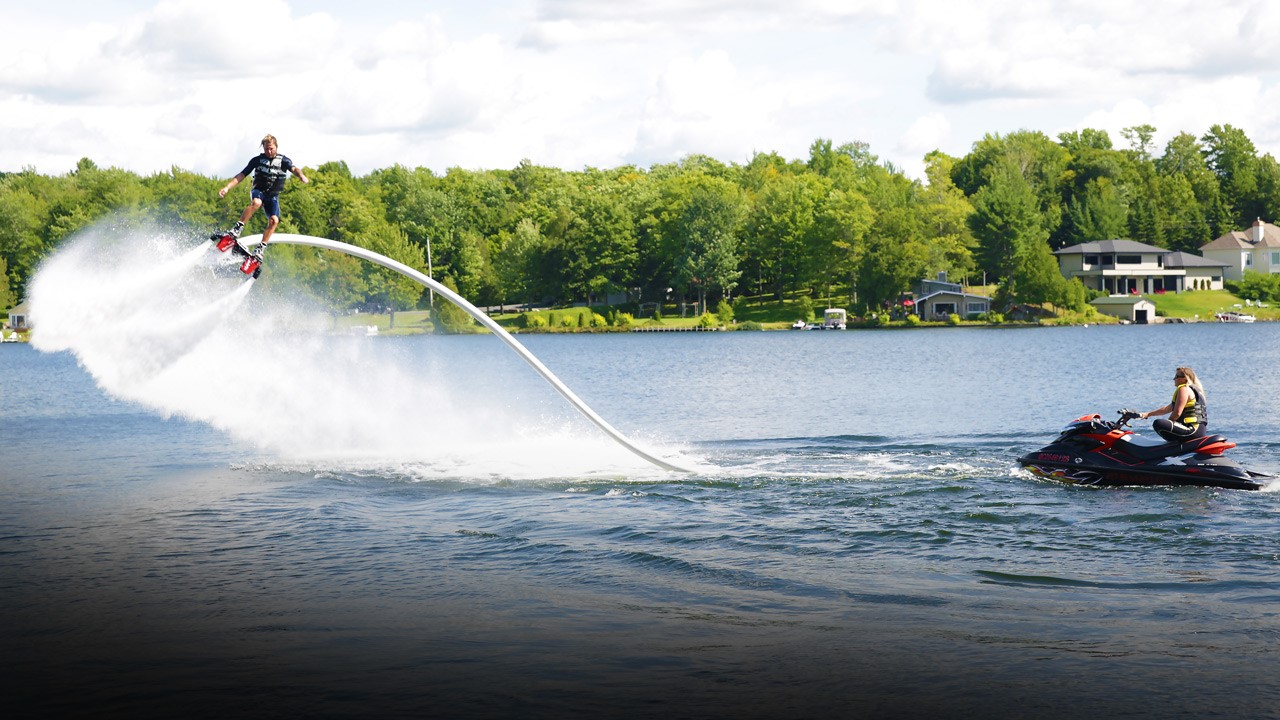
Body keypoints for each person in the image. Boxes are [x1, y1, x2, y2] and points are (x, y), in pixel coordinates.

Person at [218, 134, 308, 252]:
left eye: (271, 149)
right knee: (256, 202)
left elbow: (295, 169)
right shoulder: (257, 160)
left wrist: (301, 176)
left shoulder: (284, 161)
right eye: (266, 149)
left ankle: (261, 248)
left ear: (276, 147)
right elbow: (242, 175)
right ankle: (237, 228)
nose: (269, 151)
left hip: (272, 196)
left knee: (274, 221)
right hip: (258, 191)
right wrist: (227, 188)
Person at [1138, 366, 1208, 442]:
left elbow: (1177, 413)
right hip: (1199, 431)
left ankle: (1173, 444)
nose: (1174, 379)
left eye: (1176, 376)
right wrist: (1148, 414)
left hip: (1192, 430)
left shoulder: (1184, 389)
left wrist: (1169, 424)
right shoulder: (1194, 391)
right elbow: (1166, 409)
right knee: (1163, 424)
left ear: (1185, 378)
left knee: (1159, 423)